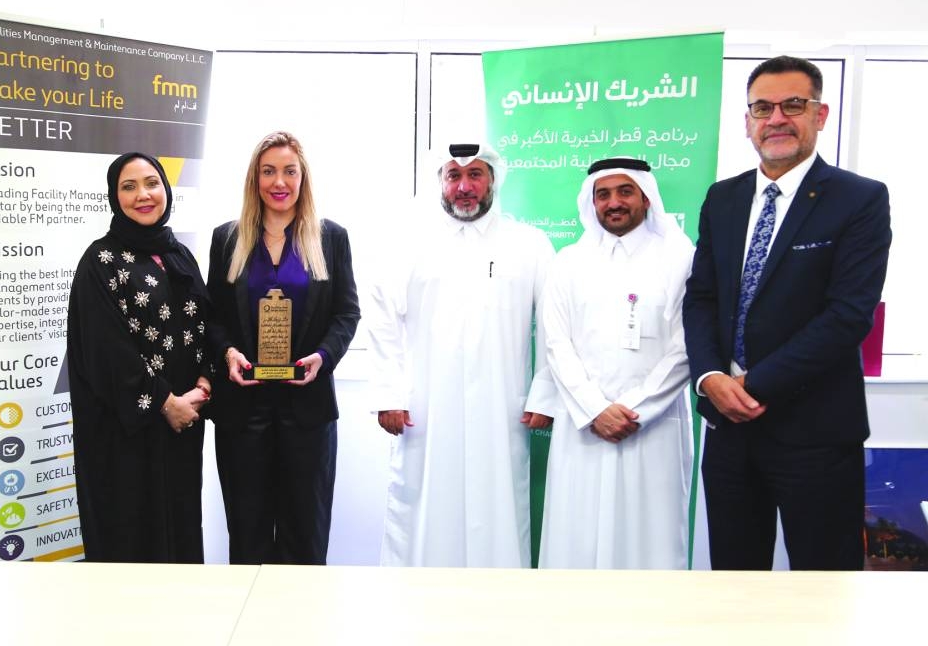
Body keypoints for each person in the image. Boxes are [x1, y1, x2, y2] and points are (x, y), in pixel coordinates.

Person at [683, 56, 892, 570]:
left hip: (816, 434)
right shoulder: (723, 198)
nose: (776, 118)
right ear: (747, 121)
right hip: (730, 433)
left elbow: (847, 316)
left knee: (824, 589)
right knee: (735, 585)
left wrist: (750, 386)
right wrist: (711, 377)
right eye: (762, 107)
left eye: (793, 105)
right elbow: (702, 298)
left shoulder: (859, 198)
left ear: (819, 115)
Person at [368, 142, 555, 567]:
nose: (464, 187)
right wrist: (388, 394)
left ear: (493, 180)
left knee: (500, 511)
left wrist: (545, 393)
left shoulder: (529, 244)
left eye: (475, 175)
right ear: (441, 182)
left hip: (501, 409)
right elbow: (381, 317)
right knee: (423, 507)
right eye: (454, 176)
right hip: (426, 411)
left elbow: (552, 324)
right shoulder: (409, 244)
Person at [207, 130, 360, 565]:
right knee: (248, 531)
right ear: (254, 179)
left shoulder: (331, 238)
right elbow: (212, 316)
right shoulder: (227, 239)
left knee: (305, 534)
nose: (279, 182)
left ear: (303, 177)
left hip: (307, 408)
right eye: (269, 171)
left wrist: (324, 357)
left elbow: (346, 314)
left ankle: (302, 626)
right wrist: (227, 353)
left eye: (289, 171)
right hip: (243, 410)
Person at [538, 157, 694, 569]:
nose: (614, 203)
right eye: (603, 194)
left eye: (625, 191)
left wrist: (635, 410)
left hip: (653, 427)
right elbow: (556, 344)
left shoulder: (680, 257)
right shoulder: (568, 261)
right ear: (591, 202)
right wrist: (595, 409)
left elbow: (687, 346)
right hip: (585, 426)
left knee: (651, 542)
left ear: (645, 197)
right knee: (578, 538)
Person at [67, 151, 212, 563]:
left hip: (183, 428)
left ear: (165, 189)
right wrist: (166, 403)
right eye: (128, 187)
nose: (143, 195)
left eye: (151, 183)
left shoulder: (179, 253)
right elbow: (105, 351)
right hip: (126, 437)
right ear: (115, 198)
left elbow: (204, 320)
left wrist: (205, 379)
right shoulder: (100, 262)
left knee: (181, 532)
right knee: (132, 541)